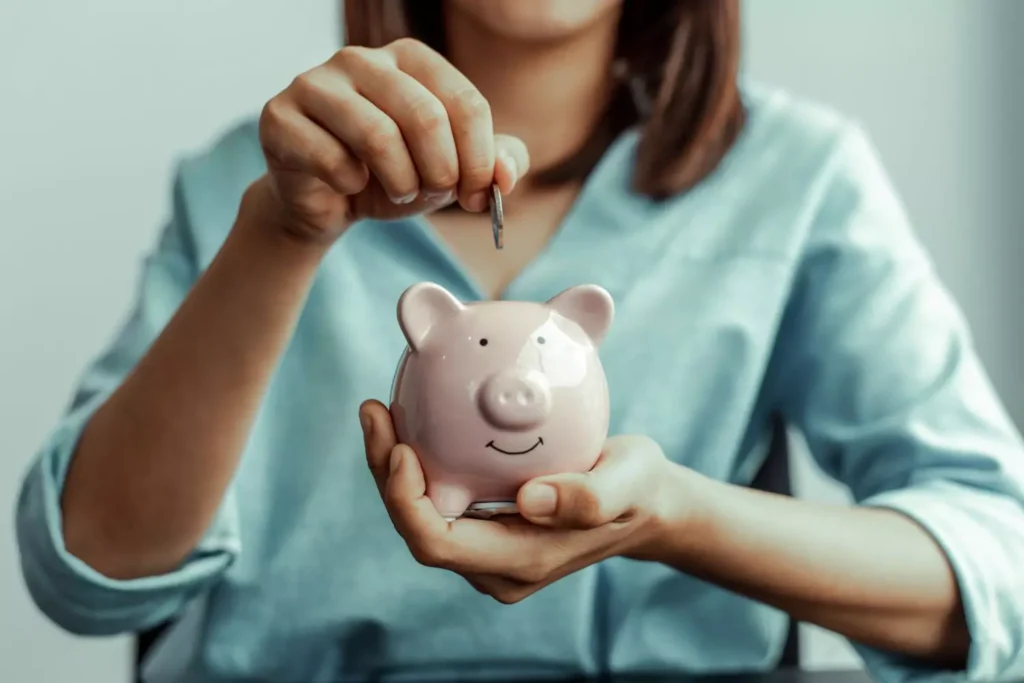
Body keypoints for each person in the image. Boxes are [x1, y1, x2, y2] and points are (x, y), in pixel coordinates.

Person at [14, 1, 1024, 681]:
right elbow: (87, 569)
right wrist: (280, 236)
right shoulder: (254, 188)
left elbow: (1000, 564)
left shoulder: (798, 179)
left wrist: (677, 513)